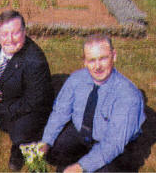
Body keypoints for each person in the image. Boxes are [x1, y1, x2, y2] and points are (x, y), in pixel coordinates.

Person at [40, 34, 146, 172]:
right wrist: (46, 142)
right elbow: (60, 112)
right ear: (84, 61)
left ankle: (87, 162)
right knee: (51, 153)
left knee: (110, 167)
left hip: (113, 143)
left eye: (103, 58)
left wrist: (80, 167)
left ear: (114, 56)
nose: (97, 66)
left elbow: (113, 144)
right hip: (81, 133)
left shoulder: (129, 96)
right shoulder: (76, 79)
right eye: (91, 60)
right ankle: (83, 158)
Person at [0, 10, 54, 171]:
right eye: (4, 34)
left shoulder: (35, 60)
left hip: (23, 104)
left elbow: (33, 101)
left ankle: (18, 148)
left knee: (21, 132)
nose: (9, 40)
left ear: (24, 32)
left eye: (15, 33)